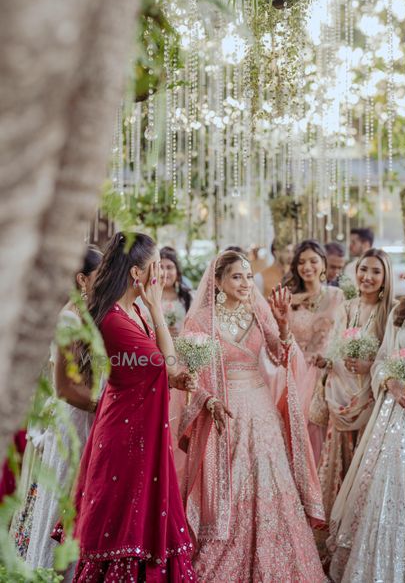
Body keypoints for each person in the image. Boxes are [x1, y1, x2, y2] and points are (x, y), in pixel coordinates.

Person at [177, 250, 326, 582]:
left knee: (267, 477)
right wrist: (208, 400)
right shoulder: (200, 320)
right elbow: (189, 376)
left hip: (260, 411)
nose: (245, 283)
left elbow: (280, 353)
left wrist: (284, 325)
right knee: (231, 484)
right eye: (236, 277)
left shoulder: (259, 312)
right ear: (217, 281)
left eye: (247, 276)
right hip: (223, 412)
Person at [57, 233, 197, 582]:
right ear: (137, 274)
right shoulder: (116, 319)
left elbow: (150, 368)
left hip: (134, 429)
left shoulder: (129, 310)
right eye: (154, 268)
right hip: (126, 437)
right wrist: (156, 309)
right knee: (123, 529)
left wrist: (175, 379)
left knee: (139, 523)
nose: (160, 276)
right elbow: (163, 362)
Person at [328, 245, 405, 583]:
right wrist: (392, 384)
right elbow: (382, 361)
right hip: (398, 415)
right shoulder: (401, 312)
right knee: (394, 495)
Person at [10, 245, 103, 572]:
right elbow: (66, 384)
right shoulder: (69, 317)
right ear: (82, 279)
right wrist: (101, 404)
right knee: (67, 488)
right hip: (74, 416)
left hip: (89, 413)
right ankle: (56, 569)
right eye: (99, 275)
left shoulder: (93, 313)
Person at [316, 250, 394, 537]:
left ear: (385, 277)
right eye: (363, 269)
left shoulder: (392, 312)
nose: (367, 277)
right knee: (339, 464)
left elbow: (394, 359)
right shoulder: (346, 307)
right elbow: (334, 346)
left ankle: (361, 534)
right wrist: (326, 362)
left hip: (372, 400)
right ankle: (334, 533)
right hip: (341, 397)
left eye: (375, 271)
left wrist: (369, 365)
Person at [285, 240, 346, 466]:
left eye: (313, 261)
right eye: (301, 262)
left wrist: (332, 360)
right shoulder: (289, 300)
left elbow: (343, 336)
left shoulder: (337, 296)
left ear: (323, 264)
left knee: (324, 431)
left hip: (328, 374)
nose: (307, 267)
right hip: (297, 372)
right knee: (299, 429)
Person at [160, 246, 192, 337]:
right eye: (161, 267)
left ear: (177, 271)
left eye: (169, 267)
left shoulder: (188, 297)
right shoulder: (145, 297)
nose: (165, 272)